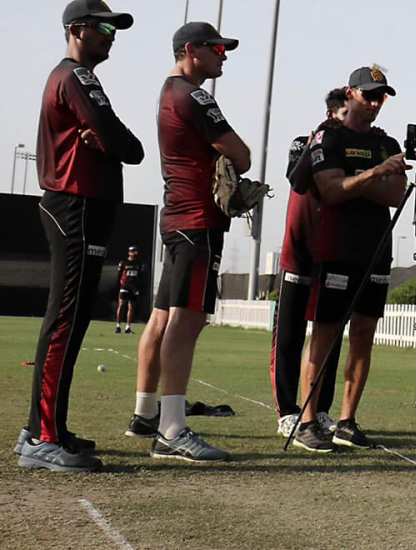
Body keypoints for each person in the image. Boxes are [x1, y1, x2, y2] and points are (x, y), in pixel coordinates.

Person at [16, 0, 143, 473]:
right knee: (65, 321)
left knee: (72, 321)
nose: (112, 36)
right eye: (104, 28)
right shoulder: (76, 77)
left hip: (82, 208)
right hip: (74, 206)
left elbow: (124, 145)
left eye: (114, 29)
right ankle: (42, 437)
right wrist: (112, 143)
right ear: (77, 30)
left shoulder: (78, 77)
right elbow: (125, 143)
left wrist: (112, 143)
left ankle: (46, 427)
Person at [128, 22, 250, 462]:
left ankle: (146, 414)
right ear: (192, 50)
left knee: (162, 318)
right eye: (217, 48)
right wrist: (229, 161)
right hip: (197, 219)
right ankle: (172, 429)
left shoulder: (170, 91)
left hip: (177, 216)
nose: (223, 56)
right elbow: (242, 154)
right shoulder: (193, 95)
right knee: (188, 320)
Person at [293, 66, 409, 452]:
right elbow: (330, 190)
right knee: (325, 335)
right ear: (350, 93)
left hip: (376, 250)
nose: (376, 103)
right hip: (336, 248)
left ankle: (347, 421)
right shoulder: (329, 135)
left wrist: (356, 179)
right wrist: (375, 174)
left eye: (381, 96)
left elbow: (396, 195)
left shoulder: (387, 142)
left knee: (363, 335)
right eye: (369, 95)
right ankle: (308, 422)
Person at [270, 88, 348, 438]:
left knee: (329, 337)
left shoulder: (355, 149)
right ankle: (288, 411)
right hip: (298, 251)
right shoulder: (304, 142)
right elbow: (297, 178)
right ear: (332, 114)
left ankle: (320, 409)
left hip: (334, 253)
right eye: (346, 114)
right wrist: (321, 138)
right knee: (289, 336)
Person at [115, 245, 145, 334]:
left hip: (134, 288)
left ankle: (128, 327)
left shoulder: (139, 263)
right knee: (121, 305)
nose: (134, 253)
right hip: (124, 287)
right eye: (132, 251)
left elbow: (140, 276)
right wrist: (119, 286)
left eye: (135, 251)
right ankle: (118, 326)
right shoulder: (123, 262)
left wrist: (138, 288)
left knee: (131, 307)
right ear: (129, 252)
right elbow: (119, 275)